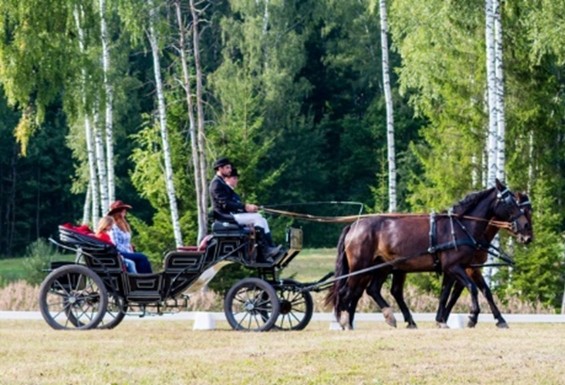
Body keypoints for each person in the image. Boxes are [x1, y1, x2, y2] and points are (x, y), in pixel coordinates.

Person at [209, 157, 281, 260]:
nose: (230, 170)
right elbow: (225, 204)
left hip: (231, 214)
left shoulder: (221, 183)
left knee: (262, 220)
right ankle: (264, 251)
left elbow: (232, 202)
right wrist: (245, 207)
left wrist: (247, 208)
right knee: (257, 217)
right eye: (227, 167)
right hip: (225, 216)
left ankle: (270, 247)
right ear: (220, 168)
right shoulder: (216, 184)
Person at [107, 200, 153, 274]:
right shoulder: (114, 227)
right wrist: (128, 251)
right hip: (120, 253)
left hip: (126, 251)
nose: (125, 212)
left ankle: (144, 280)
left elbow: (126, 241)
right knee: (142, 257)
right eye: (123, 210)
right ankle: (147, 279)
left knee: (141, 260)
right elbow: (115, 244)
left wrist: (130, 248)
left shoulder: (124, 225)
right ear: (118, 212)